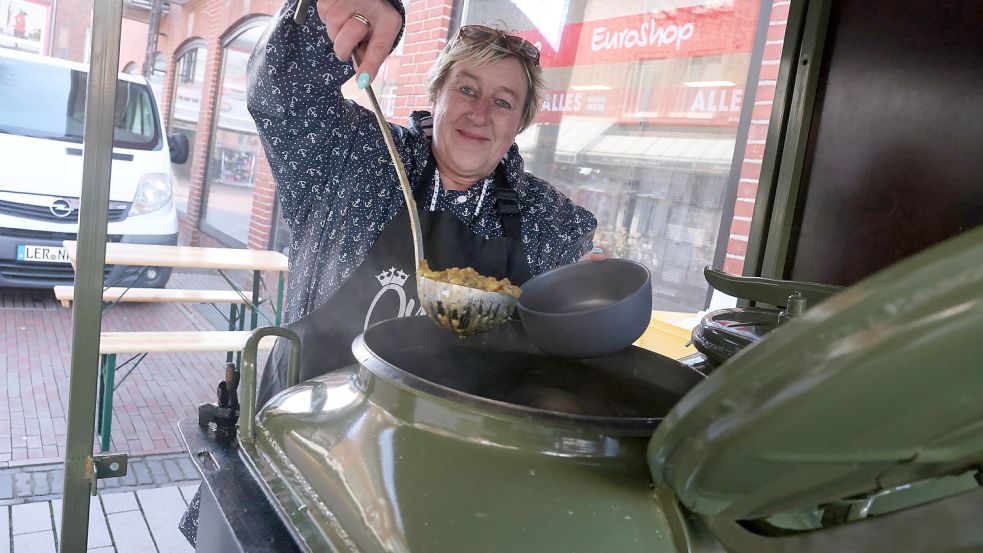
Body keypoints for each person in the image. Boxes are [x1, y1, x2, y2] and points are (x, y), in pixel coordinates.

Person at [180, 0, 599, 544]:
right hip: (290, 456)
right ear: (437, 93)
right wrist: (334, 16)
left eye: (504, 101)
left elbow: (558, 348)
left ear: (520, 123)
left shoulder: (550, 225)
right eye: (467, 89)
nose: (480, 113)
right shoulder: (355, 155)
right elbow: (280, 96)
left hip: (427, 490)